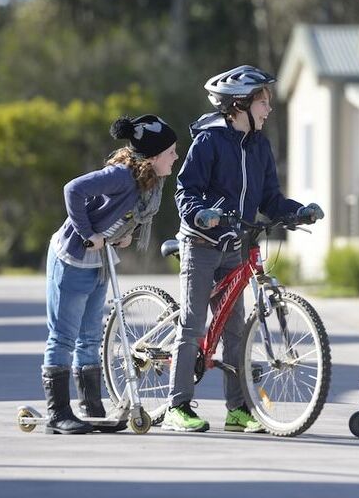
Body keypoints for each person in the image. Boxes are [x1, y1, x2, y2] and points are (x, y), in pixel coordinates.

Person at [164, 64, 324, 433]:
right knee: (192, 325)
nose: (268, 110)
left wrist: (297, 211)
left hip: (236, 245)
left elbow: (270, 198)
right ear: (238, 104)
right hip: (202, 242)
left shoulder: (259, 146)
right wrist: (202, 213)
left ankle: (238, 410)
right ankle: (178, 406)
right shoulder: (209, 141)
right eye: (262, 102)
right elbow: (186, 190)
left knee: (236, 330)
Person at [42, 114, 179, 434]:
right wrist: (88, 233)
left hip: (99, 262)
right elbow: (72, 189)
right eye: (171, 152)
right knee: (63, 336)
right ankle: (57, 412)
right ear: (155, 156)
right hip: (73, 259)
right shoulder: (121, 176)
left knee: (90, 336)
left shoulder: (147, 184)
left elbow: (121, 214)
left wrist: (122, 234)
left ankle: (91, 407)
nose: (175, 157)